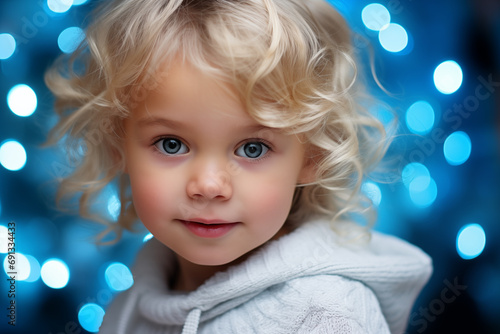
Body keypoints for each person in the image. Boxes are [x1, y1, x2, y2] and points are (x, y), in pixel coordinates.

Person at [45, 0, 432, 333]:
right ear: (118, 145)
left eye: (252, 149)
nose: (209, 185)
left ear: (312, 156)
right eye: (171, 144)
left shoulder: (328, 315)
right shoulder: (130, 305)